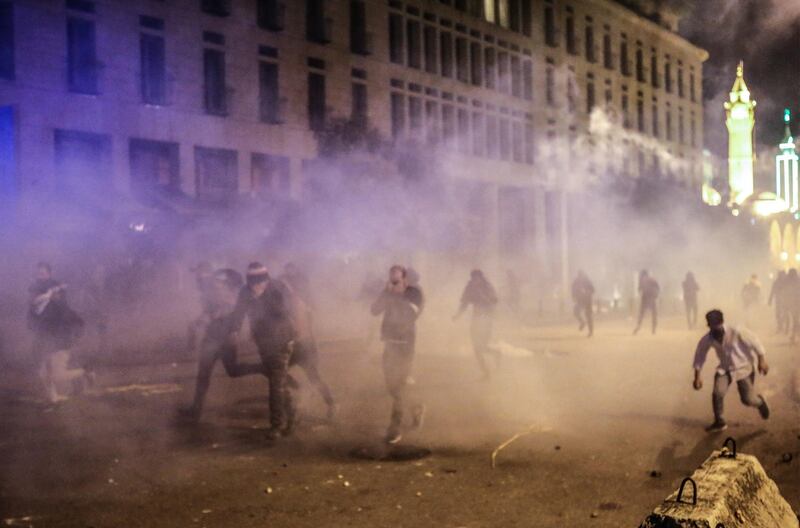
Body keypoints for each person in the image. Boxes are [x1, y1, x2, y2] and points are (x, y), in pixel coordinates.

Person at [179, 268, 266, 422]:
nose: (200, 283)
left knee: (232, 370)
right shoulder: (211, 292)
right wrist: (199, 322)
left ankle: (264, 368)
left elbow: (226, 310)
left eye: (201, 279)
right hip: (212, 339)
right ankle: (196, 411)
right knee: (204, 375)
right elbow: (210, 312)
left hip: (223, 340)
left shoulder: (223, 292)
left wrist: (207, 319)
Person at [229, 262, 298, 441]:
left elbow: (286, 311)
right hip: (264, 343)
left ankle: (276, 425)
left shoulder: (278, 287)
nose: (256, 285)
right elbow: (239, 312)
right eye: (252, 282)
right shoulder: (245, 292)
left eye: (259, 281)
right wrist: (234, 330)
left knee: (275, 386)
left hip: (282, 340)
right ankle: (292, 411)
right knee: (278, 382)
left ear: (266, 278)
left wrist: (261, 298)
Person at [370, 265, 425, 444]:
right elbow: (374, 310)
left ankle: (395, 428)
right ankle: (416, 408)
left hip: (405, 346)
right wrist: (385, 293)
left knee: (399, 386)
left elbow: (411, 314)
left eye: (397, 280)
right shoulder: (388, 293)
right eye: (391, 280)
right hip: (390, 344)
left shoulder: (413, 294)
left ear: (405, 280)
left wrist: (394, 295)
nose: (393, 283)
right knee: (392, 387)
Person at [692, 309, 770, 432]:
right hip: (725, 368)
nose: (715, 330)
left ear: (722, 322)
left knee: (747, 399)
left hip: (744, 367)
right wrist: (697, 377)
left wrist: (762, 360)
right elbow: (699, 356)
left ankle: (760, 403)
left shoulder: (737, 331)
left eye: (717, 325)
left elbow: (755, 342)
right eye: (712, 326)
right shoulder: (707, 338)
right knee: (717, 393)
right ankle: (720, 421)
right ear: (709, 325)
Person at [279, 263, 336, 421]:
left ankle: (330, 403)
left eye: (285, 286)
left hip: (304, 346)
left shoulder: (297, 303)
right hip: (296, 345)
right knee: (280, 374)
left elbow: (299, 328)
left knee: (313, 376)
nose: (282, 290)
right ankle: (296, 402)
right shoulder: (287, 304)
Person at [27, 262, 90, 403]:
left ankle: (85, 374)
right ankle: (53, 399)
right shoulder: (37, 290)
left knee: (56, 375)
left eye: (43, 273)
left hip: (59, 338)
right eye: (38, 273)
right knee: (42, 371)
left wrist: (55, 298)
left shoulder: (57, 293)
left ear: (49, 274)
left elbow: (64, 312)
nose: (40, 276)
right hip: (44, 337)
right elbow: (34, 309)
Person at [453, 269, 500, 379]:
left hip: (487, 320)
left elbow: (494, 301)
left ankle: (496, 354)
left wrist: (483, 296)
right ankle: (486, 372)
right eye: (473, 278)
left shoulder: (487, 286)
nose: (475, 280)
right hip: (476, 320)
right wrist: (457, 315)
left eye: (477, 278)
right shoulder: (470, 287)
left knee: (481, 347)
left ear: (481, 278)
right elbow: (464, 303)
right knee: (476, 348)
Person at [186, 261, 216, 355]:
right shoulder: (206, 283)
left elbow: (213, 304)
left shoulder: (207, 282)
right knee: (194, 327)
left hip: (213, 312)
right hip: (210, 312)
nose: (197, 276)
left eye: (199, 272)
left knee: (196, 327)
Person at [633, 270, 660, 335]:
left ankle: (638, 325)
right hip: (652, 297)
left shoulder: (642, 280)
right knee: (654, 313)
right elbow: (658, 287)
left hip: (645, 298)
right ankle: (654, 328)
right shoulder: (652, 279)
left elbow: (639, 289)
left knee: (641, 313)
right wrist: (656, 294)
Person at [571, 270, 595, 337]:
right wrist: (574, 296)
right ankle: (582, 322)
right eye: (579, 275)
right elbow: (573, 289)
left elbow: (593, 290)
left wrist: (586, 292)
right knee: (576, 312)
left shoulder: (587, 281)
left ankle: (591, 332)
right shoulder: (576, 282)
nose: (580, 277)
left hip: (588, 300)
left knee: (588, 316)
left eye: (581, 275)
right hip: (580, 300)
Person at [767, 270, 788, 334]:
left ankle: (783, 327)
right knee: (778, 314)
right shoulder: (777, 282)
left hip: (785, 301)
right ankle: (780, 326)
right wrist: (770, 300)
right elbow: (772, 291)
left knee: (784, 314)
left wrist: (770, 300)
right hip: (779, 300)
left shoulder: (786, 282)